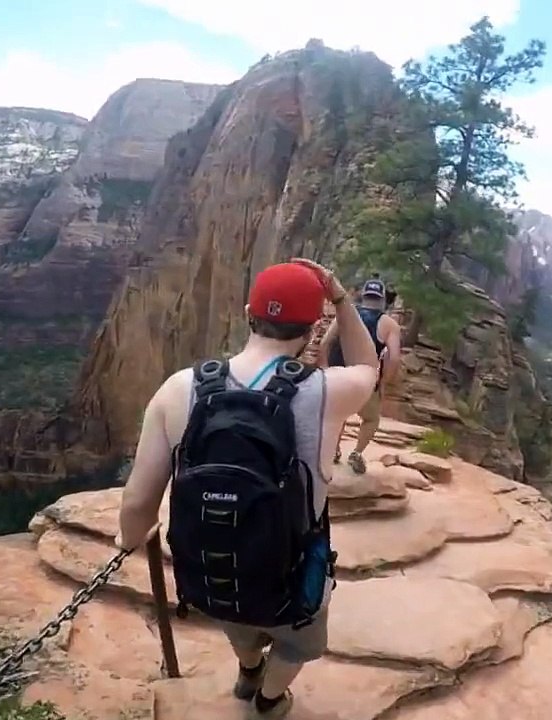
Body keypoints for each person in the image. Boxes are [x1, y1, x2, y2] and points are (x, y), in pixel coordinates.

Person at [114, 258, 380, 719]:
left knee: (236, 617)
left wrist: (128, 540)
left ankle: (248, 667)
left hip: (210, 571)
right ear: (313, 326)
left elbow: (138, 501)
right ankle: (270, 699)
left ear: (246, 313)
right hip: (294, 573)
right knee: (297, 645)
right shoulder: (325, 392)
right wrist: (340, 298)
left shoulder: (179, 389)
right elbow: (367, 365)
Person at [318, 274, 402, 475]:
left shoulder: (346, 314)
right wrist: (384, 383)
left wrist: (324, 370)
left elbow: (324, 343)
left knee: (338, 416)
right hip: (365, 381)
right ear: (382, 300)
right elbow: (394, 357)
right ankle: (356, 452)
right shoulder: (389, 324)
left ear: (363, 297)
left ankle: (334, 451)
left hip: (339, 376)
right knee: (371, 419)